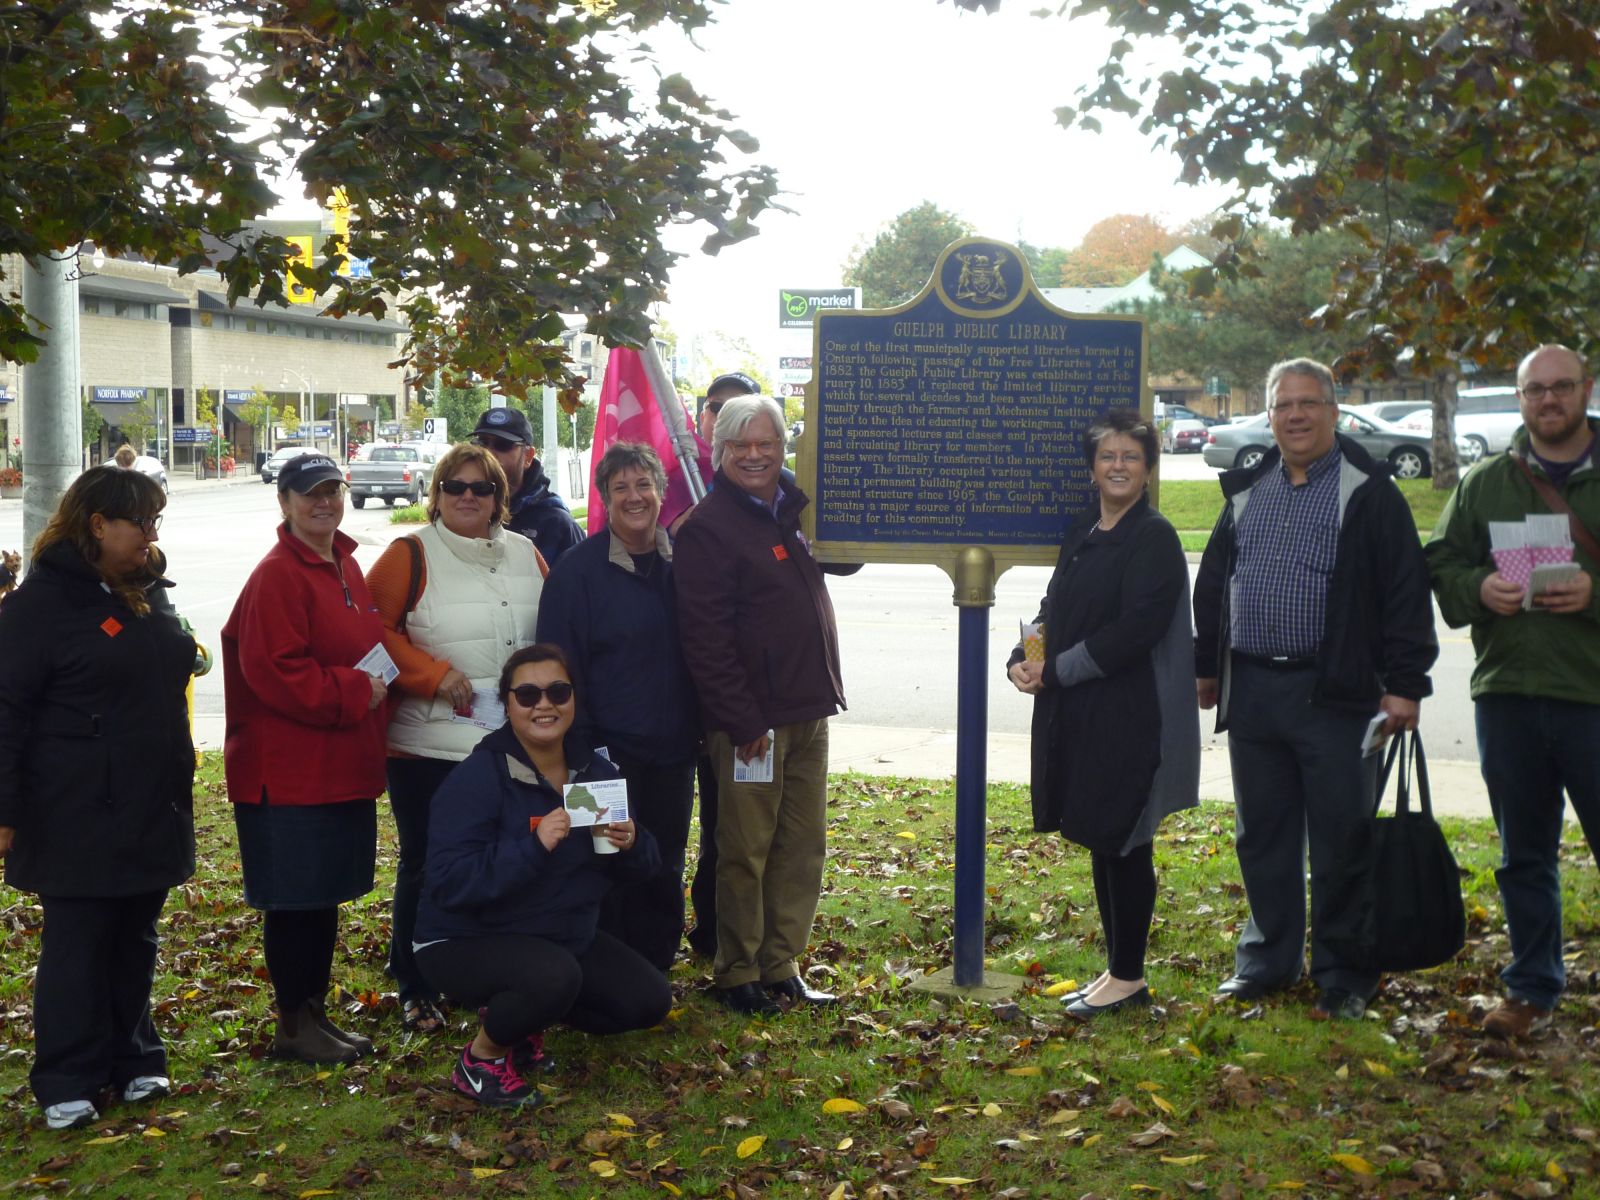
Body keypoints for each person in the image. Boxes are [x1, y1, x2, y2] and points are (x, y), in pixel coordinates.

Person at [1194, 358, 1438, 1021]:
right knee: (1262, 836)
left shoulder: (1369, 493)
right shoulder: (1248, 489)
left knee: (1341, 840)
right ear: (1268, 416)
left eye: (1308, 403)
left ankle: (1344, 973)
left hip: (1336, 696)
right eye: (1283, 406)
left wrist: (1407, 685)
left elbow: (1404, 594)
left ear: (1334, 411)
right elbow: (1216, 579)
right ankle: (1268, 961)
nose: (1296, 416)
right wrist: (1206, 667)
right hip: (1254, 694)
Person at [0, 467, 195, 1129]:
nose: (152, 535)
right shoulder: (40, 606)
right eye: (142, 521)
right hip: (73, 806)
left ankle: (133, 1058)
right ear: (97, 524)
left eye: (156, 522)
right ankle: (66, 1077)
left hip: (148, 797)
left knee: (134, 934)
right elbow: (6, 713)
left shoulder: (146, 589)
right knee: (78, 942)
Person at [1426, 344, 1600, 1039]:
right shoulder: (1489, 480)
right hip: (1508, 695)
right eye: (1535, 390)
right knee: (1523, 855)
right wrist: (1478, 589)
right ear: (1520, 397)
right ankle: (1531, 989)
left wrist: (1595, 591)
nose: (1548, 401)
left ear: (1586, 390)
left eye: (1561, 388)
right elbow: (1440, 560)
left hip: (1592, 697)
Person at [414, 644, 671, 1108]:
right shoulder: (479, 777)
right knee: (553, 977)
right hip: (462, 938)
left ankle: (521, 1022)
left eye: (558, 691)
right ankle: (482, 1060)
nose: (544, 704)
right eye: (528, 694)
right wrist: (531, 849)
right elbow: (449, 883)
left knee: (647, 1001)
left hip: (557, 933)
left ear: (574, 698)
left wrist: (632, 842)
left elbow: (640, 870)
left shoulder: (595, 770)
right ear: (507, 704)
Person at [1006, 410, 1199, 1018]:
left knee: (1126, 839)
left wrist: (1056, 671)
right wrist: (1023, 654)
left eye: (1131, 458)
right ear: (1092, 468)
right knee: (1100, 836)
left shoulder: (1154, 537)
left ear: (1148, 469)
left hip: (1132, 713)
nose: (1119, 467)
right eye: (1108, 456)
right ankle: (1119, 970)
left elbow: (1133, 632)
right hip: (1082, 712)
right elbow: (1053, 605)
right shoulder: (1083, 531)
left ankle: (1130, 976)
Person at [673, 394, 855, 1015]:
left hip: (808, 711)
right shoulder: (705, 530)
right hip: (753, 724)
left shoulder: (790, 512)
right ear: (720, 453)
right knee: (746, 850)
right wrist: (743, 720)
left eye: (766, 444)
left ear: (782, 449)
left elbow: (848, 556)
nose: (755, 455)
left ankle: (782, 964)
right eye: (740, 446)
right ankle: (738, 971)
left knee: (801, 845)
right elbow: (706, 641)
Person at [366, 442, 546, 1034]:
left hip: (506, 747)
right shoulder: (408, 554)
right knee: (426, 864)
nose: (468, 496)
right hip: (426, 747)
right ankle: (414, 980)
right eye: (455, 486)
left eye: (482, 487)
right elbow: (369, 634)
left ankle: (477, 973)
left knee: (498, 863)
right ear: (437, 494)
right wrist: (432, 676)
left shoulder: (527, 555)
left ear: (501, 497)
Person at [221, 452, 389, 1065]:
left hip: (336, 764)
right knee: (296, 902)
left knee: (321, 898)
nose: (323, 503)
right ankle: (293, 1023)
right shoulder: (278, 575)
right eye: (308, 493)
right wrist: (355, 691)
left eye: (332, 491)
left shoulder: (342, 560)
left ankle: (312, 1012)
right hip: (289, 774)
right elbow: (275, 672)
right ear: (285, 502)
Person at [537, 443, 699, 971]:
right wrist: (580, 750)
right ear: (605, 498)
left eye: (644, 485)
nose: (635, 497)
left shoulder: (682, 561)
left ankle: (655, 966)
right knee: (599, 859)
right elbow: (557, 671)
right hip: (599, 752)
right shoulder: (576, 572)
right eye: (621, 488)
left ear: (660, 493)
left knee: (663, 858)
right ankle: (602, 974)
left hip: (673, 748)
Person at [470, 406, 583, 566]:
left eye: (502, 445)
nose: (489, 452)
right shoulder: (461, 510)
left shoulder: (556, 525)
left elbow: (582, 587)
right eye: (481, 443)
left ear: (528, 457)